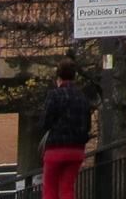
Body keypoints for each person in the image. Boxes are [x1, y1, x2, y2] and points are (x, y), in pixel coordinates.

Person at [39, 61, 94, 199]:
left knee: (50, 188)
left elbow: (45, 122)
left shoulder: (54, 95)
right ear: (74, 77)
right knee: (67, 188)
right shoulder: (82, 97)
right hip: (76, 150)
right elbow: (87, 125)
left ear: (59, 78)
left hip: (55, 150)